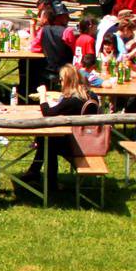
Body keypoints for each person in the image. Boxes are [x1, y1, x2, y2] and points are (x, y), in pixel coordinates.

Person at [25, 64, 100, 198]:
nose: (59, 82)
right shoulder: (89, 94)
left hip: (79, 145)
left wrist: (43, 95)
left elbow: (48, 113)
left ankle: (46, 180)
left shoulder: (72, 100)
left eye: (60, 80)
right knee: (46, 139)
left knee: (48, 142)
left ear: (68, 81)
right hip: (89, 139)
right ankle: (34, 172)